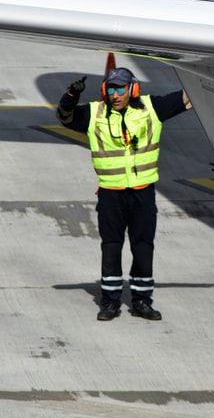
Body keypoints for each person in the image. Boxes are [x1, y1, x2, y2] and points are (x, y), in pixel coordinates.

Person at [57, 67, 192, 321]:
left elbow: (190, 97)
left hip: (143, 194)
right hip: (111, 194)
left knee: (143, 247)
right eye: (111, 89)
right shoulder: (95, 113)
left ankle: (141, 301)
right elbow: (64, 117)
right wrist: (71, 95)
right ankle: (110, 302)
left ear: (133, 90)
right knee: (111, 247)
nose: (115, 95)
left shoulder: (152, 108)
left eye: (120, 90)